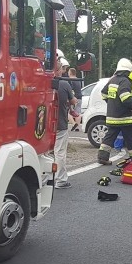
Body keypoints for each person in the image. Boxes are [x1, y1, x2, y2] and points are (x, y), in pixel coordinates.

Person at [98, 58, 132, 165]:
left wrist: (111, 103)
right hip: (125, 118)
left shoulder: (112, 80)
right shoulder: (125, 81)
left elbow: (103, 93)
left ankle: (102, 157)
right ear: (128, 71)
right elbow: (125, 97)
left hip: (112, 116)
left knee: (109, 138)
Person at [54, 59, 77, 188]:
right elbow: (73, 101)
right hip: (60, 123)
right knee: (60, 153)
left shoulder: (42, 82)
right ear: (59, 70)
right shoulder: (64, 84)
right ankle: (61, 180)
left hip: (41, 126)